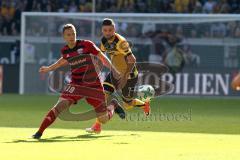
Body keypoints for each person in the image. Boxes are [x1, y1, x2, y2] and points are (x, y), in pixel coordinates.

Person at [32, 23, 122, 139]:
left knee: (103, 119)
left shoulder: (86, 44)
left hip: (93, 85)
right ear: (64, 37)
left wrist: (114, 70)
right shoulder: (65, 50)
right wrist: (49, 68)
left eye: (73, 33)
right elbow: (63, 60)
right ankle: (39, 132)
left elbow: (102, 58)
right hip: (76, 84)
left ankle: (113, 104)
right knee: (59, 106)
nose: (71, 36)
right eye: (68, 34)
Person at [86, 18, 150, 134]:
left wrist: (125, 77)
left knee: (128, 104)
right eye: (105, 30)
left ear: (114, 29)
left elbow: (132, 60)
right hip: (114, 73)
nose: (107, 33)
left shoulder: (121, 42)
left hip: (129, 76)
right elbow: (101, 56)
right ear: (102, 30)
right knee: (103, 95)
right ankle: (97, 126)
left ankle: (144, 104)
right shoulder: (104, 41)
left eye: (110, 30)